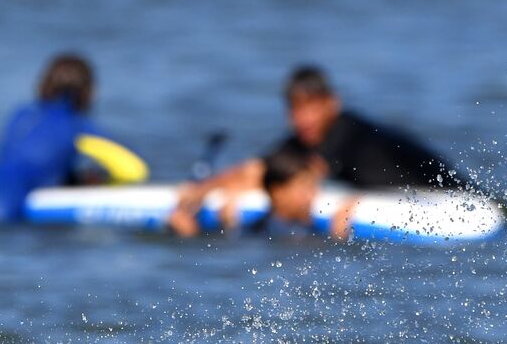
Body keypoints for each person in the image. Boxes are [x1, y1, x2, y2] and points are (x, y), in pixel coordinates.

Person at [168, 65, 458, 236]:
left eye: (312, 107)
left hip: (442, 196)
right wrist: (202, 192)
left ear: (332, 104)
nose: (303, 118)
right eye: (295, 109)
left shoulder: (346, 131)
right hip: (394, 200)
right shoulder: (302, 141)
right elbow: (262, 167)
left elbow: (301, 176)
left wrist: (226, 192)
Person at [0, 54, 149, 223]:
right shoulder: (77, 126)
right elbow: (134, 170)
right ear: (88, 93)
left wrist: (72, 179)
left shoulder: (20, 115)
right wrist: (103, 182)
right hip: (5, 208)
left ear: (43, 84)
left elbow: (29, 162)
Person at [260, 145, 357, 240]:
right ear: (278, 192)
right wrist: (337, 237)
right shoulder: (275, 233)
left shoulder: (306, 226)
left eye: (313, 187)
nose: (311, 195)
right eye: (304, 188)